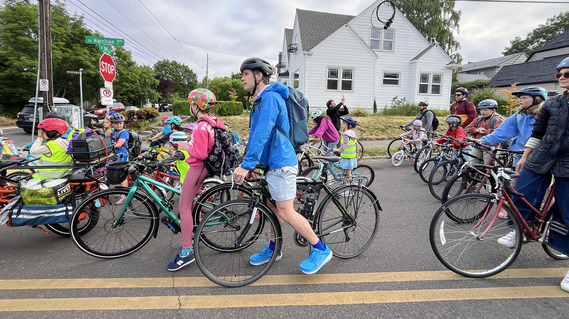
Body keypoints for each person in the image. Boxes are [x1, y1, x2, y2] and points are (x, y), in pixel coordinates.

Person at [233, 57, 332, 275]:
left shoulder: (270, 98)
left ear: (259, 76)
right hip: (272, 164)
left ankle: (320, 249)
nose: (242, 78)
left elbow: (263, 132)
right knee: (272, 209)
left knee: (286, 212)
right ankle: (274, 248)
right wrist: (255, 161)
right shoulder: (260, 101)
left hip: (282, 164)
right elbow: (258, 135)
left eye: (246, 74)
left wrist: (247, 164)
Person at [496, 57, 569, 292]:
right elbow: (537, 132)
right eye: (559, 75)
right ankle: (519, 230)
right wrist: (526, 156)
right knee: (522, 191)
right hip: (543, 155)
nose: (561, 78)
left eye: (566, 74)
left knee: (566, 211)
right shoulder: (552, 104)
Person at [167, 88, 227, 272]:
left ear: (196, 105)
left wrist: (186, 146)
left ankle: (187, 251)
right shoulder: (212, 121)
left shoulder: (201, 126)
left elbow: (200, 153)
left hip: (197, 167)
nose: (190, 107)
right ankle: (193, 232)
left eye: (191, 104)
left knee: (183, 206)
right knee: (191, 203)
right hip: (205, 168)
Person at [477, 87, 546, 167]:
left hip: (538, 157)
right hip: (519, 154)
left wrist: (531, 150)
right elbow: (502, 131)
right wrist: (482, 141)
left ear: (536, 99)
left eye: (524, 98)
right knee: (514, 178)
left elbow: (549, 137)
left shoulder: (545, 116)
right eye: (520, 98)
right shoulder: (518, 115)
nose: (520, 100)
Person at [464, 99, 504, 164]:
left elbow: (498, 133)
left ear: (493, 110)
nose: (483, 112)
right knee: (473, 165)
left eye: (485, 110)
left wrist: (485, 131)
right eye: (481, 110)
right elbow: (467, 129)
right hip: (477, 145)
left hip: (490, 147)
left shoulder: (497, 120)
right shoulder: (478, 119)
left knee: (488, 167)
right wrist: (476, 130)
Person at [109, 113, 129, 202]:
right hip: (115, 155)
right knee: (117, 174)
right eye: (116, 123)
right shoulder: (112, 131)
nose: (119, 125)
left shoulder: (124, 133)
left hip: (122, 155)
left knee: (122, 175)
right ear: (112, 124)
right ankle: (121, 192)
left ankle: (125, 195)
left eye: (121, 123)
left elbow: (119, 144)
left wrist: (107, 147)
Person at [333, 116, 359, 182]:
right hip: (351, 156)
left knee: (348, 174)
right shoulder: (352, 133)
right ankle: (346, 185)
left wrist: (337, 150)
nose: (342, 125)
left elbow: (346, 145)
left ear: (349, 125)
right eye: (342, 123)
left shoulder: (346, 134)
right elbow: (357, 144)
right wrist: (357, 154)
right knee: (347, 172)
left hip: (347, 157)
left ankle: (349, 188)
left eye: (344, 123)